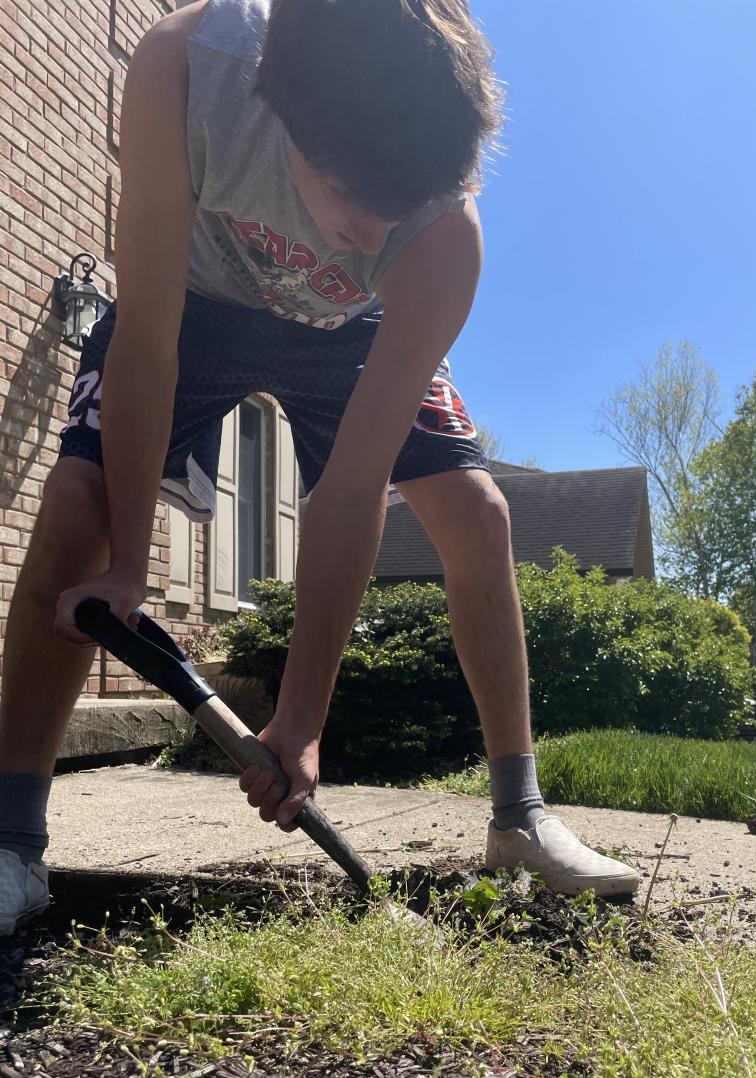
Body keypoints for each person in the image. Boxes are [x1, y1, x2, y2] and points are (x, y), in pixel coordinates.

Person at [0, 0, 639, 934]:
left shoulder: (441, 237)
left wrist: (301, 717)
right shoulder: (186, 67)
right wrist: (130, 564)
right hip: (193, 302)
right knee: (75, 501)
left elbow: (348, 493)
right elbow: (146, 343)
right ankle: (13, 842)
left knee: (478, 510)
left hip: (349, 332)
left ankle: (521, 817)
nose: (368, 235)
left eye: (396, 210)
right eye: (348, 195)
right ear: (282, 108)